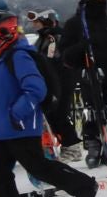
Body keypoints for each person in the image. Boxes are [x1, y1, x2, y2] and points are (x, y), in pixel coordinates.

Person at [0, 10, 99, 197]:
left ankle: (84, 186)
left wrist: (16, 114)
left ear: (1, 31)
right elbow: (4, 90)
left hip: (19, 127)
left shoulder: (18, 56)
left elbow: (35, 88)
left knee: (39, 167)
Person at [61, 0, 107, 168]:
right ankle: (93, 144)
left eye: (104, 1)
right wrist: (81, 48)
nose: (101, 5)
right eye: (98, 1)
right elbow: (64, 53)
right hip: (87, 71)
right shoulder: (76, 24)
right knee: (91, 109)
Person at [27, 9, 81, 162]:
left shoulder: (55, 37)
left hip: (61, 80)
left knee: (59, 114)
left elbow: (54, 62)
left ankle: (72, 146)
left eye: (37, 22)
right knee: (53, 114)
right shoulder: (43, 38)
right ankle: (68, 144)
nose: (34, 25)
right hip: (52, 81)